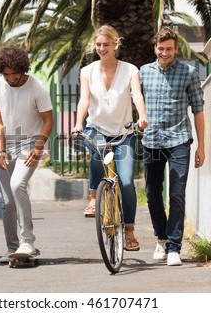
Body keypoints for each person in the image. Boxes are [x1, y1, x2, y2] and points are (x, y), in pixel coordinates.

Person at [71, 25, 148, 251]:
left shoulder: (130, 70)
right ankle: (94, 196)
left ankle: (130, 230)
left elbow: (137, 95)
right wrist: (77, 123)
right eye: (98, 45)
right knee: (99, 148)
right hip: (96, 127)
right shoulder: (87, 71)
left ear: (116, 44)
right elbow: (84, 100)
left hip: (124, 132)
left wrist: (142, 116)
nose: (102, 48)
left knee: (125, 182)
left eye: (107, 44)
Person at [140, 27, 205, 266]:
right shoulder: (144, 72)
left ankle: (174, 248)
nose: (164, 52)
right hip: (152, 141)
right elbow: (136, 103)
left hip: (179, 140)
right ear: (155, 48)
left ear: (176, 48)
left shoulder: (189, 73)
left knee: (177, 194)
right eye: (161, 48)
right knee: (152, 194)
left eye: (169, 48)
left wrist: (201, 146)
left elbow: (198, 110)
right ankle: (162, 238)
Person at [0, 44, 54, 262]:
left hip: (30, 142)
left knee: (18, 185)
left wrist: (38, 147)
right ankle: (12, 247)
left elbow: (48, 121)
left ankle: (28, 242)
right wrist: (0, 150)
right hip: (7, 144)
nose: (10, 78)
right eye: (5, 74)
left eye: (14, 73)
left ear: (23, 69)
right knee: (7, 201)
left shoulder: (38, 88)